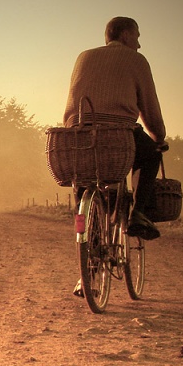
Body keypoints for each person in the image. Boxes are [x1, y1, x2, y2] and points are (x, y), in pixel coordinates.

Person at [64, 16, 167, 242]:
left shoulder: (84, 56)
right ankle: (138, 214)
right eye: (137, 37)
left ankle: (83, 240)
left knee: (82, 185)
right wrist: (158, 137)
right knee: (151, 155)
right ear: (126, 35)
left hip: (80, 131)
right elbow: (149, 106)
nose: (139, 44)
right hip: (119, 132)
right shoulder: (136, 60)